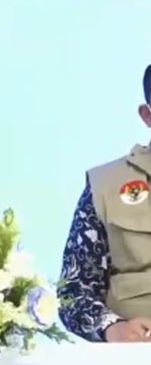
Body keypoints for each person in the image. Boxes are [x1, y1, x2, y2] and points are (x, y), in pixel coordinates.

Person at [57, 65, 151, 342]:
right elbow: (74, 291)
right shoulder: (106, 186)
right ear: (147, 116)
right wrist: (114, 328)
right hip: (137, 357)